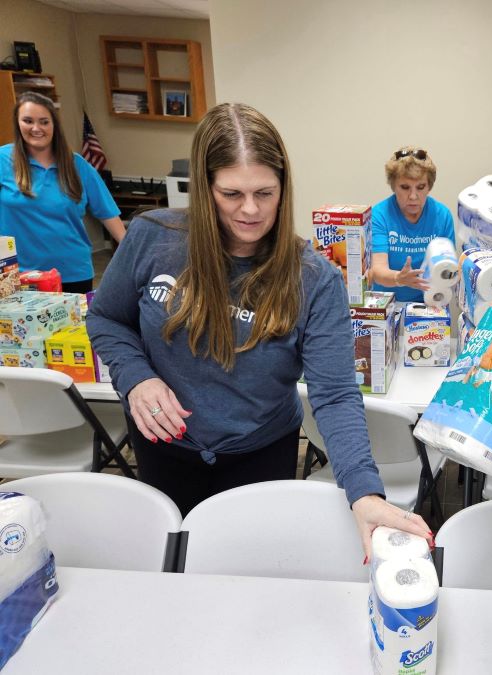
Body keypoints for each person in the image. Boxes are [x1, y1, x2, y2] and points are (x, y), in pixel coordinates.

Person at [86, 103, 431, 557]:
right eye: (231, 194)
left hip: (260, 453)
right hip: (163, 448)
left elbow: (334, 394)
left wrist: (364, 492)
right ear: (205, 187)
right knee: (176, 567)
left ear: (284, 188)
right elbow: (107, 319)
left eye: (265, 194)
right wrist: (137, 378)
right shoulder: (154, 238)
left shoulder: (313, 278)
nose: (250, 211)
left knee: (251, 569)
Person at [0, 92, 125, 293]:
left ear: (54, 125)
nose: (36, 128)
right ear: (18, 123)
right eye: (28, 121)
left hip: (72, 273)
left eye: (44, 122)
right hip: (17, 276)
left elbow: (108, 214)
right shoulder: (2, 159)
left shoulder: (77, 165)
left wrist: (137, 255)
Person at [369, 147, 455, 303]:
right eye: (405, 187)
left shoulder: (442, 216)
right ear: (393, 186)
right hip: (387, 305)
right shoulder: (379, 215)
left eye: (420, 187)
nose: (413, 196)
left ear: (429, 187)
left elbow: (448, 267)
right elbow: (377, 270)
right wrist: (399, 278)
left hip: (428, 303)